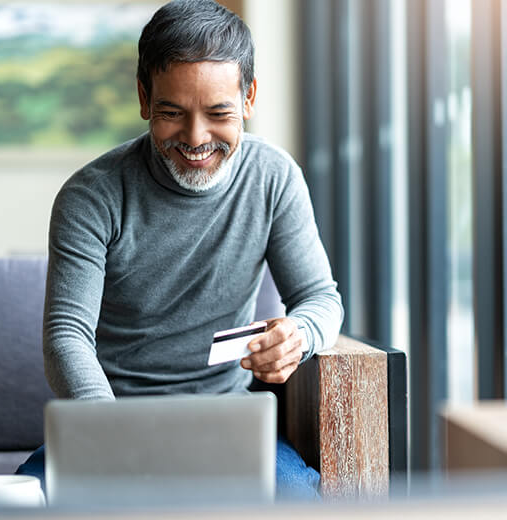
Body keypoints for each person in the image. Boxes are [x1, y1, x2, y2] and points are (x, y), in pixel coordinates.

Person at [17, 0, 344, 501]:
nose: (195, 138)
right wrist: (111, 438)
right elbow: (67, 335)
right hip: (108, 423)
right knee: (19, 504)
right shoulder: (91, 196)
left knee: (303, 504)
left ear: (249, 98)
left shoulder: (274, 179)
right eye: (172, 113)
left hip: (229, 426)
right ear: (144, 98)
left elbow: (322, 298)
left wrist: (299, 336)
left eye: (218, 114)